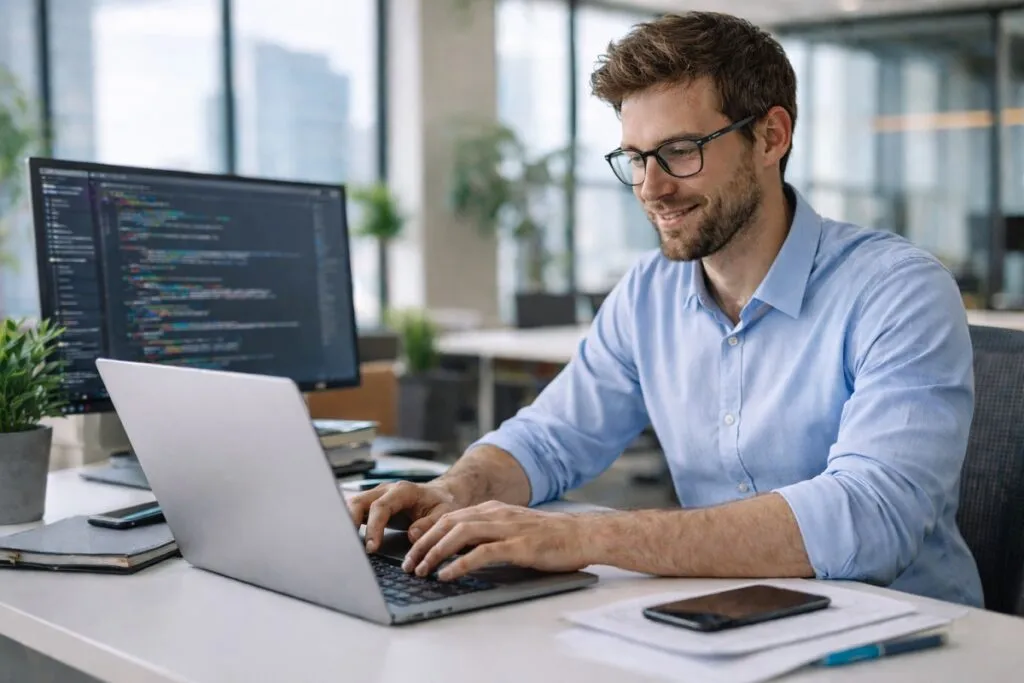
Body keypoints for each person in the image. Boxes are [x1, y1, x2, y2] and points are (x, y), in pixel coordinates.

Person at [349, 10, 984, 607]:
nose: (652, 188)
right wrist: (450, 492)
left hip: (906, 634)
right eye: (635, 158)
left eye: (681, 150)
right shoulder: (648, 294)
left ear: (771, 136)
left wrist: (591, 538)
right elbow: (551, 439)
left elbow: (871, 516)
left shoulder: (898, 291)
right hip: (723, 620)